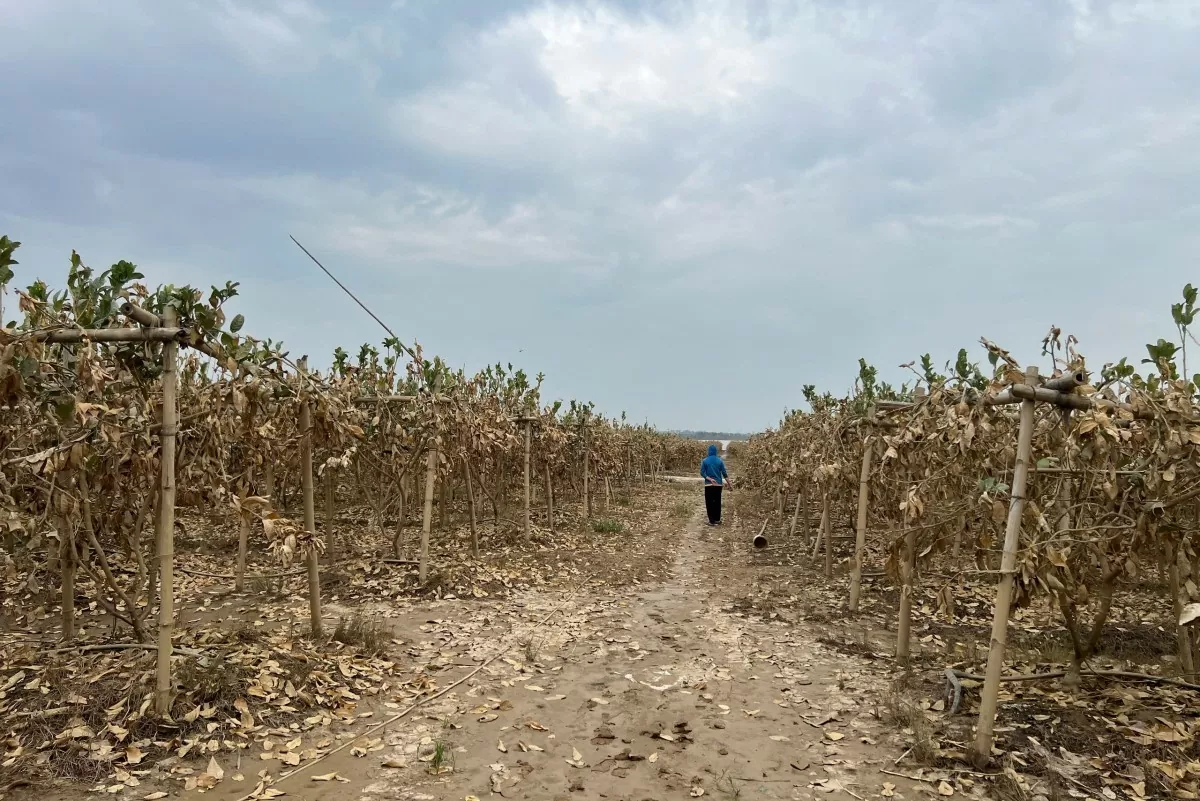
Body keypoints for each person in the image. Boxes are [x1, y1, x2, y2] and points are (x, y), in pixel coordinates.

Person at [700, 444, 731, 525]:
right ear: (716, 452)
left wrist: (709, 479)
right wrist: (729, 484)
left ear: (709, 451)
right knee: (717, 502)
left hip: (708, 485)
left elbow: (702, 473)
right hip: (718, 485)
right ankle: (717, 519)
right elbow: (724, 473)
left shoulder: (705, 461)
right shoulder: (720, 461)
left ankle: (711, 521)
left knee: (709, 502)